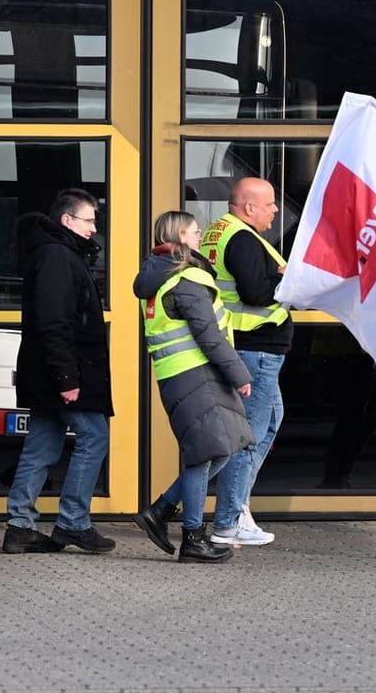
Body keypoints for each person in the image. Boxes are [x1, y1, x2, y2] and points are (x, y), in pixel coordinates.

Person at [133, 211, 253, 564]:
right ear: (179, 236)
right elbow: (209, 335)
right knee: (206, 455)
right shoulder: (185, 279)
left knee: (220, 449)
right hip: (197, 375)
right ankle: (193, 538)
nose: (200, 235)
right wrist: (239, 374)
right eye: (194, 230)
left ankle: (162, 508)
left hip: (183, 376)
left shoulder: (160, 276)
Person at [3, 187, 113, 554]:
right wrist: (68, 378)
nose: (93, 229)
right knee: (94, 436)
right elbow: (54, 322)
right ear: (67, 220)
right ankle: (73, 522)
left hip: (48, 370)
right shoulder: (57, 257)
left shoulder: (55, 254)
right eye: (88, 220)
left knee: (41, 445)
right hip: (63, 372)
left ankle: (20, 526)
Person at [202, 177, 290, 549]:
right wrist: (288, 281)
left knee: (269, 423)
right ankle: (228, 521)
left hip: (250, 348)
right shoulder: (240, 237)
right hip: (254, 349)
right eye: (270, 205)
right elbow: (255, 293)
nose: (275, 211)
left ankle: (239, 507)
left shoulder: (220, 231)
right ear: (249, 207)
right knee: (247, 437)